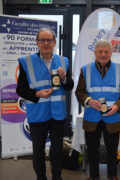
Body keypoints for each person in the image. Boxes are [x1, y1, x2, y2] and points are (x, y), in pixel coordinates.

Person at [16, 28, 74, 180]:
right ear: (37, 42)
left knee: (57, 151)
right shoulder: (26, 62)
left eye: (49, 40)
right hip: (37, 112)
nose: (46, 43)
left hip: (58, 114)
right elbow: (20, 89)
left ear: (54, 42)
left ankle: (57, 177)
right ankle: (41, 177)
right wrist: (37, 94)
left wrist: (64, 78)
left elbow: (69, 86)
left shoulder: (63, 61)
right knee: (38, 151)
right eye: (42, 40)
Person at [75, 40, 120, 180]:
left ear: (111, 53)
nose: (103, 54)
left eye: (106, 52)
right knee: (92, 151)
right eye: (100, 51)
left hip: (112, 117)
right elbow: (80, 92)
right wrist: (88, 101)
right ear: (95, 53)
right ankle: (94, 176)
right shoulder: (85, 69)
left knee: (112, 150)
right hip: (92, 117)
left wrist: (117, 106)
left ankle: (112, 175)